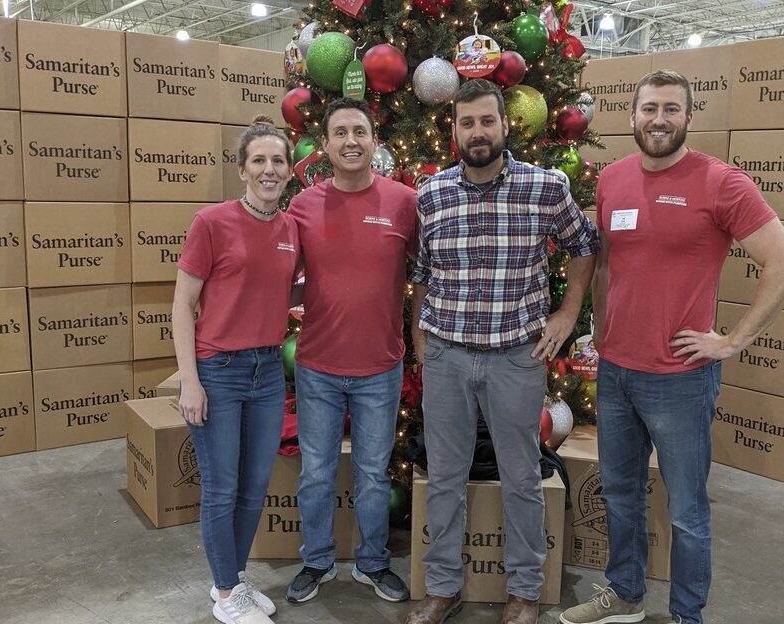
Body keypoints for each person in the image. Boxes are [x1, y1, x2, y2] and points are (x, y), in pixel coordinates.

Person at [559, 70, 784, 624]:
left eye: (671, 109)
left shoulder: (722, 183)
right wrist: (598, 327)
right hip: (617, 370)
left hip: (680, 378)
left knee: (688, 511)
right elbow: (604, 260)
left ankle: (687, 614)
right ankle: (624, 595)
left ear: (689, 118)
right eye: (649, 108)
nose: (659, 119)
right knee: (621, 492)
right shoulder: (613, 179)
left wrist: (732, 340)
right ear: (633, 116)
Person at [407, 78, 599, 624]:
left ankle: (524, 591)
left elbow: (584, 244)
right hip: (446, 355)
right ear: (453, 131)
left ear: (505, 124)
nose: (477, 132)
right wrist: (422, 337)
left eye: (486, 121)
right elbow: (421, 271)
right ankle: (442, 587)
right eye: (466, 123)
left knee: (520, 476)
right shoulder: (432, 193)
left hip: (517, 357)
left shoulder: (546, 187)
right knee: (444, 477)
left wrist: (567, 314)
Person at [284, 98, 416, 605]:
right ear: (326, 145)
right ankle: (316, 560)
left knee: (371, 474)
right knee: (315, 472)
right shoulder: (303, 206)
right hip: (317, 365)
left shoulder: (404, 202)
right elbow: (285, 277)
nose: (351, 141)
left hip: (381, 367)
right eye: (340, 132)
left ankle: (373, 563)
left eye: (359, 131)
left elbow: (426, 271)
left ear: (375, 141)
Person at [172, 115, 299, 624]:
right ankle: (226, 593)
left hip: (268, 370)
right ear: (243, 170)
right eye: (259, 161)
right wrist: (190, 381)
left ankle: (234, 578)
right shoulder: (211, 223)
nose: (269, 170)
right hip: (217, 370)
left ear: (289, 171)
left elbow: (289, 291)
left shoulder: (292, 230)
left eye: (278, 161)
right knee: (222, 487)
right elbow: (182, 306)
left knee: (253, 487)